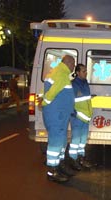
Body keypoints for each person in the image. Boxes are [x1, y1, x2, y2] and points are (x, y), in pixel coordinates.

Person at [41, 55, 75, 183]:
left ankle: (59, 165)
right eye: (73, 64)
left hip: (59, 114)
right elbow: (51, 93)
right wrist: (45, 102)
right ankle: (52, 171)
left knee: (61, 141)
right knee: (56, 142)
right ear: (68, 62)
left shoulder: (58, 72)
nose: (73, 66)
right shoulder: (61, 74)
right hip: (57, 114)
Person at [68, 63, 93, 170]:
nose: (86, 73)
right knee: (75, 141)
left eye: (86, 71)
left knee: (82, 140)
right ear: (77, 73)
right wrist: (74, 113)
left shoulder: (85, 83)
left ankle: (81, 158)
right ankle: (73, 160)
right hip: (77, 117)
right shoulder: (74, 84)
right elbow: (69, 101)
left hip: (85, 117)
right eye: (83, 71)